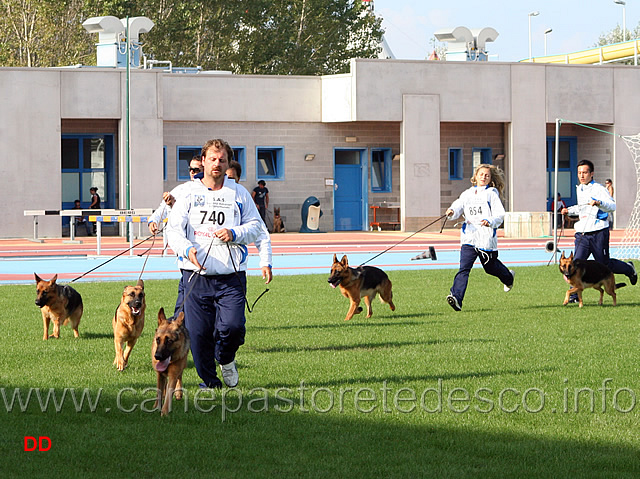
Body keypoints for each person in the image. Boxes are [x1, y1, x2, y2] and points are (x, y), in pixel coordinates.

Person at [167, 138, 272, 389]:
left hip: (231, 276)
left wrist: (235, 234)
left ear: (227, 163)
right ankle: (210, 383)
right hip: (195, 276)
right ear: (203, 161)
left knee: (233, 327)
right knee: (199, 335)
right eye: (212, 159)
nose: (217, 164)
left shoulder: (239, 193)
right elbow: (174, 230)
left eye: (222, 160)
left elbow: (257, 227)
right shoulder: (188, 193)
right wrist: (187, 249)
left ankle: (226, 359)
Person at [560, 161, 636, 303]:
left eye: (585, 172)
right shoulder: (580, 188)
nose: (581, 176)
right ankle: (575, 295)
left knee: (603, 264)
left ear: (592, 174)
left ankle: (629, 269)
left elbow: (612, 206)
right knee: (575, 264)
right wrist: (568, 210)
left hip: (598, 232)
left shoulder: (599, 189)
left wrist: (600, 203)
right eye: (579, 173)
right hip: (582, 233)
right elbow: (582, 207)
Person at [445, 164, 515, 312]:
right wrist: (452, 211)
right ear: (475, 176)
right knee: (464, 268)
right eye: (481, 174)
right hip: (469, 237)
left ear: (490, 179)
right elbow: (458, 206)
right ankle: (456, 298)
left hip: (485, 237)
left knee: (490, 268)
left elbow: (499, 214)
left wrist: (490, 221)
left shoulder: (491, 193)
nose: (483, 177)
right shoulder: (467, 194)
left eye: (487, 175)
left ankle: (508, 278)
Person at [148, 155, 203, 235]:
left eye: (196, 170)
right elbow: (162, 209)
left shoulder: (212, 190)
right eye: (190, 169)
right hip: (184, 239)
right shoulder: (181, 189)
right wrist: (153, 221)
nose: (192, 172)